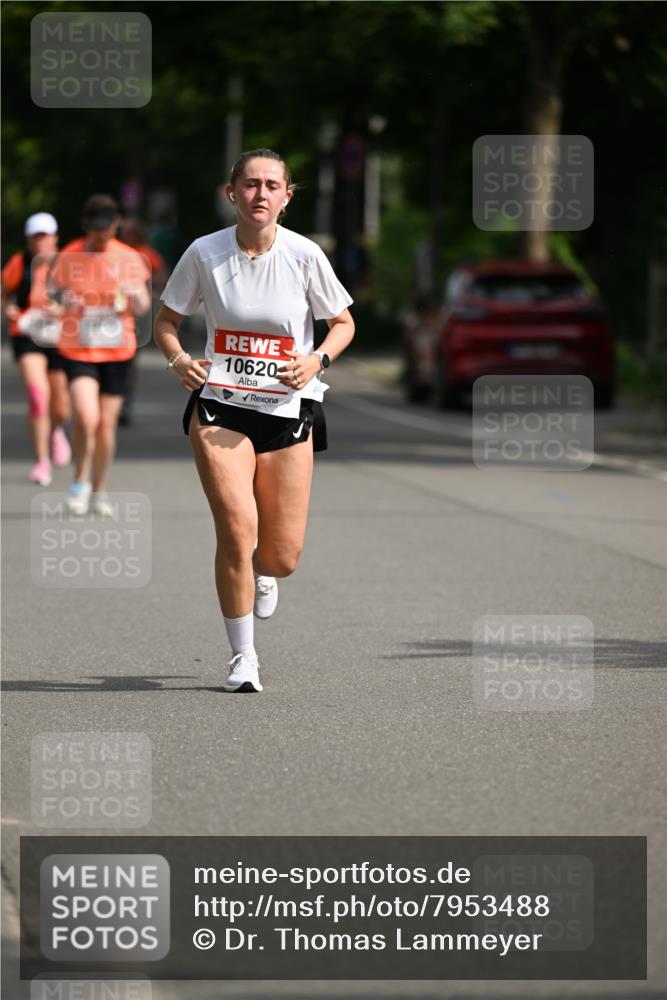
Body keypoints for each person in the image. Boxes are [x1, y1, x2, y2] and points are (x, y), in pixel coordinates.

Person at [154, 148, 355, 692]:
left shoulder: (305, 255)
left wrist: (318, 359)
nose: (260, 194)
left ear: (287, 197)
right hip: (222, 406)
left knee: (281, 556)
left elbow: (342, 322)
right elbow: (167, 321)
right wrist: (179, 360)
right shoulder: (204, 253)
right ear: (232, 193)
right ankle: (243, 657)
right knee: (236, 529)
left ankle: (266, 574)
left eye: (271, 185)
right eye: (249, 184)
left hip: (287, 409)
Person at [49, 194, 151, 515]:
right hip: (79, 348)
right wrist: (66, 302)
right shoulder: (70, 254)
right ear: (86, 226)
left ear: (116, 225)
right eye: (95, 230)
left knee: (106, 425)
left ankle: (100, 489)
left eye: (106, 230)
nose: (101, 236)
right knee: (85, 415)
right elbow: (53, 297)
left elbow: (145, 306)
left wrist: (135, 298)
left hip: (117, 351)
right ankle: (79, 482)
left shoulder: (130, 257)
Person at [1, 212, 71, 485]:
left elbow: (82, 296)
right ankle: (42, 461)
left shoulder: (68, 263)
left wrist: (63, 308)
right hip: (28, 333)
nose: (40, 241)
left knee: (61, 404)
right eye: (35, 236)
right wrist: (7, 309)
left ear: (55, 237)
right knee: (37, 395)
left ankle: (56, 430)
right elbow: (5, 292)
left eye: (45, 235)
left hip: (60, 336)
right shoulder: (19, 263)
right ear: (29, 239)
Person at [118, 217, 169, 426]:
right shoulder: (115, 252)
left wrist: (147, 284)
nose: (128, 236)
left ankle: (125, 402)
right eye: (125, 233)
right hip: (111, 315)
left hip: (137, 313)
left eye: (131, 233)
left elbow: (161, 275)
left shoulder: (146, 254)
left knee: (129, 360)